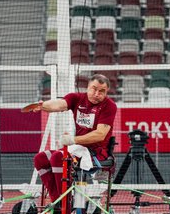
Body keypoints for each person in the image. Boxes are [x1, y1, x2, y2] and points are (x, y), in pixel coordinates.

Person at [32, 74, 117, 203]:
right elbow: (59, 104)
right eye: (94, 89)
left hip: (96, 153)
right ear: (88, 87)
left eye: (102, 91)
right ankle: (58, 200)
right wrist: (43, 106)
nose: (97, 94)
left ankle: (65, 201)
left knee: (57, 157)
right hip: (77, 149)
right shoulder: (76, 98)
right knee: (40, 159)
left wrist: (73, 140)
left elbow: (100, 134)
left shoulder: (109, 106)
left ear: (106, 92)